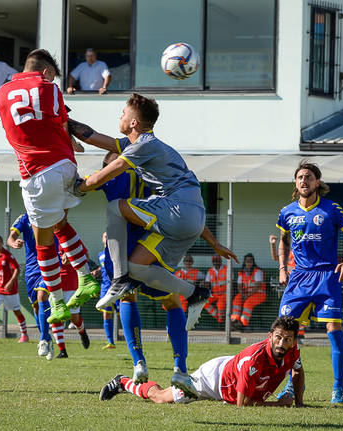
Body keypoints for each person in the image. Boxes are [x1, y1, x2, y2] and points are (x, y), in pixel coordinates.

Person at [68, 97, 237, 397]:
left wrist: (82, 186)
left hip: (176, 210)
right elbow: (91, 135)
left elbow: (113, 168)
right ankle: (195, 293)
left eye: (123, 113)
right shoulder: (142, 146)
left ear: (134, 122)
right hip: (190, 217)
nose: (119, 116)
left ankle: (119, 281)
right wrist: (61, 120)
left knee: (116, 209)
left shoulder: (143, 145)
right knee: (139, 267)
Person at [0, 48, 101, 326]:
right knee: (59, 224)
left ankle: (57, 302)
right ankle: (86, 276)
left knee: (43, 243)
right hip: (67, 166)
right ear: (46, 72)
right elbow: (62, 125)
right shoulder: (51, 88)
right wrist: (74, 145)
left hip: (37, 173)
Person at [95, 151, 193, 391]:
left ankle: (139, 362)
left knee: (128, 296)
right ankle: (180, 367)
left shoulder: (105, 178)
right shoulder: (153, 176)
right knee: (171, 301)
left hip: (120, 246)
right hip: (150, 245)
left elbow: (79, 185)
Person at [276, 162, 343, 404]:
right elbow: (283, 241)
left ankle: (338, 389)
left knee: (333, 331)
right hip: (299, 278)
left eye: (309, 177)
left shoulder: (332, 209)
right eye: (300, 177)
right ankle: (292, 385)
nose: (304, 181)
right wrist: (282, 268)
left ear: (317, 182)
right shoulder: (287, 212)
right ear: (295, 183)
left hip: (326, 277)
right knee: (286, 333)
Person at [99, 316, 305, 407]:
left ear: (294, 340)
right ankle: (123, 382)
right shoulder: (254, 360)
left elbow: (297, 371)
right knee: (161, 397)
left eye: (287, 339)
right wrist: (277, 405)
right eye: (278, 337)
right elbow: (243, 406)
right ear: (270, 336)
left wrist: (299, 404)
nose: (281, 342)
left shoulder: (293, 350)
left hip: (231, 373)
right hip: (211, 379)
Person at [9, 213, 90, 359]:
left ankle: (44, 339)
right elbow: (10, 237)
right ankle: (46, 338)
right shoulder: (24, 218)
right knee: (36, 307)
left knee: (43, 296)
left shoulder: (53, 213)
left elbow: (65, 234)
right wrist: (13, 242)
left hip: (50, 265)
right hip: (31, 271)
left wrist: (66, 253)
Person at [269, 234, 304, 337]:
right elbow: (276, 257)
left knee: (300, 307)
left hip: (302, 285)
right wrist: (273, 244)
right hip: (290, 285)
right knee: (288, 309)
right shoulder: (288, 253)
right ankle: (289, 332)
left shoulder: (304, 255)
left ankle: (299, 332)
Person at [231, 253, 266, 330]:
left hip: (259, 294)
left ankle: (243, 324)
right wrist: (242, 294)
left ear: (253, 262)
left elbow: (257, 286)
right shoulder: (241, 272)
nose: (249, 263)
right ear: (244, 262)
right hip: (245, 293)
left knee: (248, 303)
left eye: (250, 261)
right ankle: (234, 320)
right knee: (237, 299)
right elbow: (239, 286)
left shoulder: (258, 271)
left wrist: (247, 296)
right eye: (247, 261)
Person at [96, 232, 117, 349]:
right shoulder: (100, 254)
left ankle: (132, 339)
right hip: (105, 287)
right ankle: (110, 342)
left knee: (122, 312)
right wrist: (97, 271)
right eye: (105, 236)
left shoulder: (116, 252)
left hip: (117, 285)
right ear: (102, 239)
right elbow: (103, 267)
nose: (107, 237)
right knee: (106, 314)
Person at [203, 255, 227, 324]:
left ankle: (221, 323)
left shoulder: (227, 269)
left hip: (224, 294)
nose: (216, 262)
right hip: (215, 294)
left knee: (220, 305)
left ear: (221, 261)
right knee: (204, 302)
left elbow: (231, 283)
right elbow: (207, 284)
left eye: (218, 260)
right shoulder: (210, 271)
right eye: (214, 261)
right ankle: (218, 316)